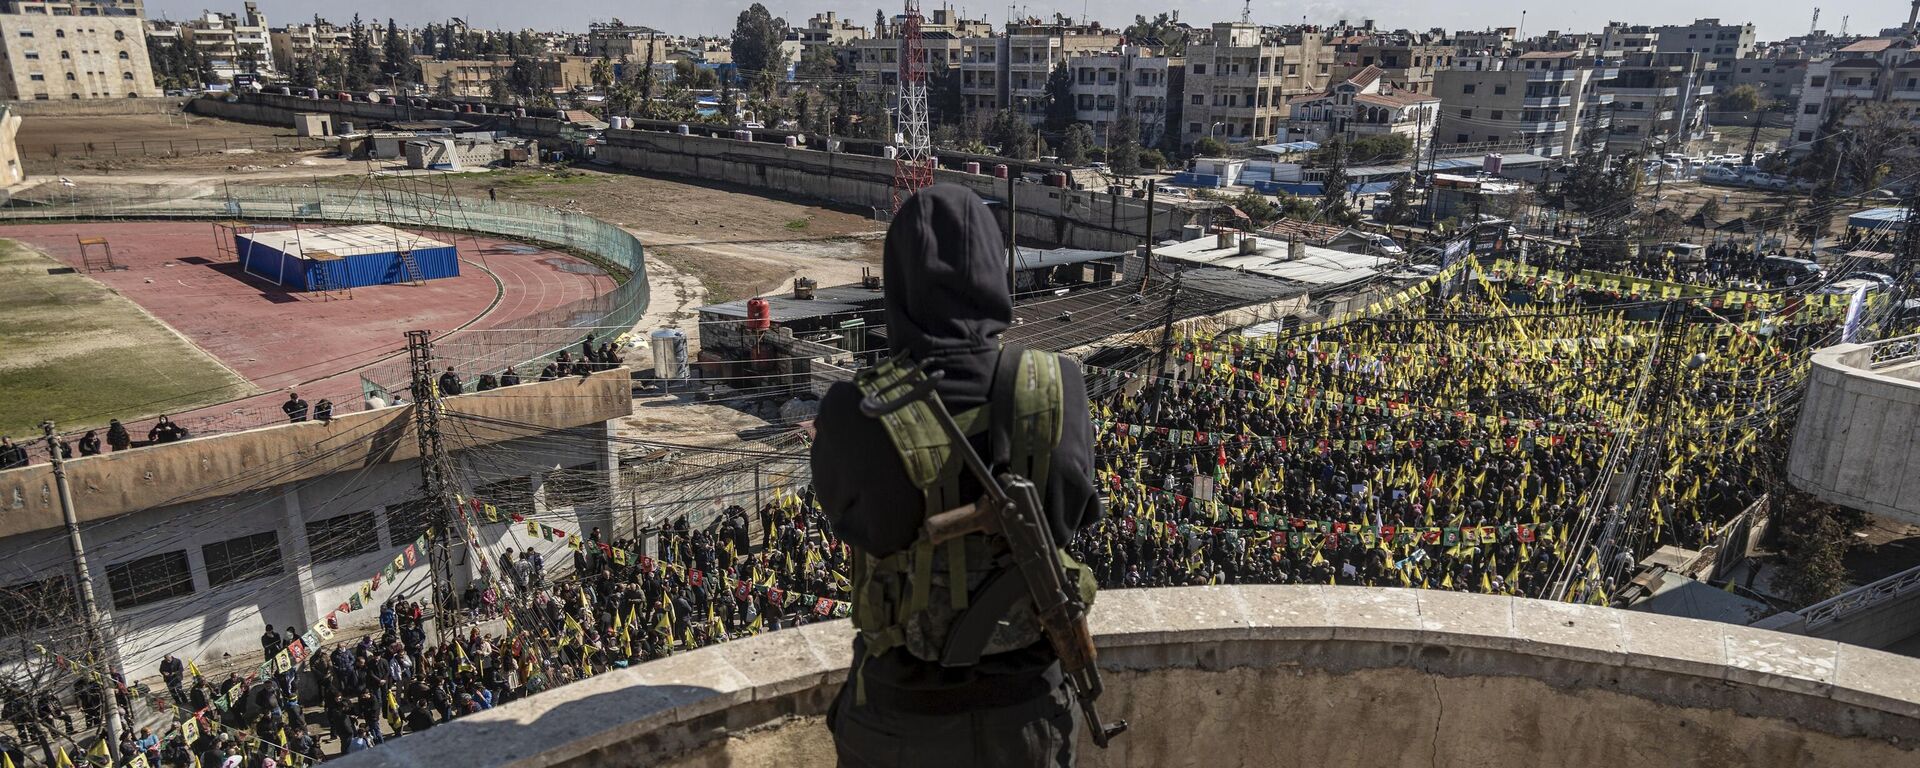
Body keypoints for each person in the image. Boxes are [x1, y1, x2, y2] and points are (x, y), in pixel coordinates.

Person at [809, 185, 1100, 768]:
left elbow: (853, 523)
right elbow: (1075, 516)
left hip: (899, 720)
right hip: (1029, 716)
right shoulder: (1058, 385)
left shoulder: (855, 409)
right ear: (996, 272)